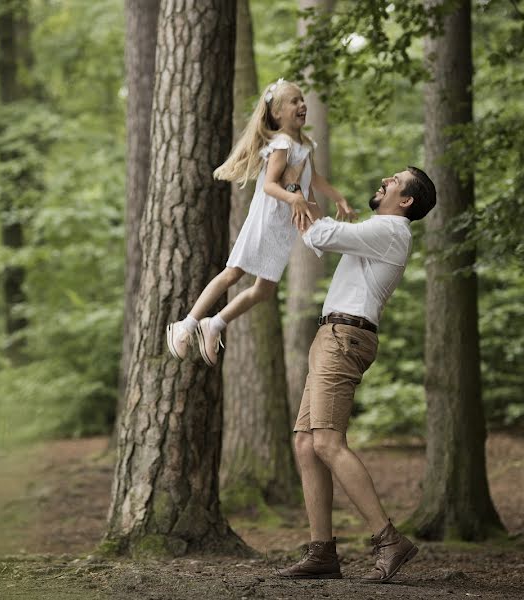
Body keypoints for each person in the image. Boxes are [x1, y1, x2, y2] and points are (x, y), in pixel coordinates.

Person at [275, 166, 437, 583]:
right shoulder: (378, 229)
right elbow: (317, 234)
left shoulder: (391, 230)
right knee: (306, 444)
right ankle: (322, 552)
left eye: (395, 180)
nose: (385, 179)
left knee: (327, 442)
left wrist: (293, 188)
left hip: (344, 338)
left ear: (406, 201)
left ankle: (389, 541)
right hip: (332, 335)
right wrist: (298, 190)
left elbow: (322, 235)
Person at [166, 78, 356, 367]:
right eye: (294, 101)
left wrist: (338, 198)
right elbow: (269, 185)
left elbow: (312, 181)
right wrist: (293, 200)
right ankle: (186, 325)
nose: (302, 105)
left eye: (302, 99)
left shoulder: (305, 144)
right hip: (265, 220)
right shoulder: (281, 144)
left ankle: (215, 324)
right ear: (278, 113)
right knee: (232, 274)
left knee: (263, 291)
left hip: (282, 229)